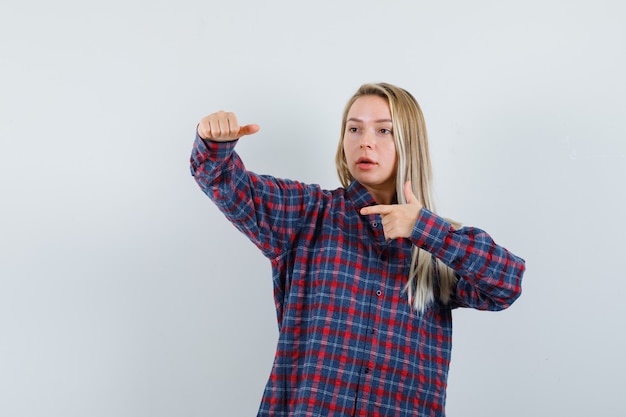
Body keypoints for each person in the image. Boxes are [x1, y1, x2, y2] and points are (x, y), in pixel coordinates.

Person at [190, 82, 525, 416]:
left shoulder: (438, 246)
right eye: (354, 128)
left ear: (410, 144)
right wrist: (215, 144)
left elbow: (506, 283)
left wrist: (422, 227)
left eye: (384, 130)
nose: (365, 141)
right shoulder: (308, 213)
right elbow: (223, 180)